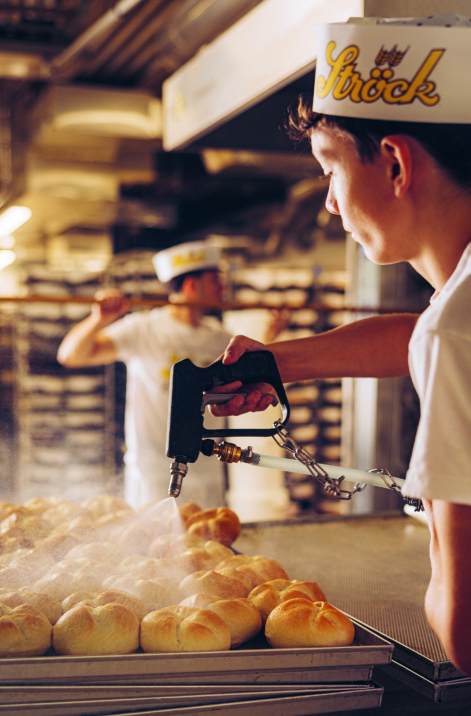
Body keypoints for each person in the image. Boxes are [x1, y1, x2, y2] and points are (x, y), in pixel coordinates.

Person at [211, 13, 471, 675]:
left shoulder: (457, 327)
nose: (329, 203)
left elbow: (467, 628)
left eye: (330, 168)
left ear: (393, 163)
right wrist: (283, 363)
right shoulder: (456, 310)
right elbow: (424, 334)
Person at [57, 241, 234, 508]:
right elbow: (71, 355)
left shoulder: (220, 337)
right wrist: (99, 319)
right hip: (154, 474)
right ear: (191, 286)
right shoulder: (143, 329)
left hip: (208, 471)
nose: (222, 289)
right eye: (214, 280)